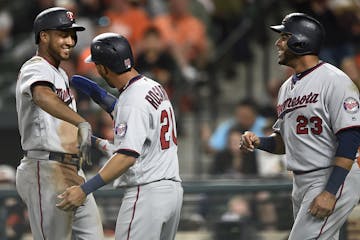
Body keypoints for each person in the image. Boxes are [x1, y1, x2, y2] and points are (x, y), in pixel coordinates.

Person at [240, 12, 360, 239]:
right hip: (302, 179)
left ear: (301, 40)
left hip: (330, 175)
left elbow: (351, 137)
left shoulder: (335, 80)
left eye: (284, 37)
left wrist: (330, 191)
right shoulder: (287, 88)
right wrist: (259, 142)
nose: (278, 43)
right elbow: (285, 143)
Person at [56, 32, 183, 240]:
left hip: (146, 194)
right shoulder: (153, 87)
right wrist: (100, 97)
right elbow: (135, 122)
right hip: (171, 193)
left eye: (97, 65)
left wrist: (84, 190)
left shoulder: (132, 101)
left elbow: (126, 157)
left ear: (103, 68)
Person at [15, 7, 104, 240]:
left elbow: (64, 126)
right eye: (63, 34)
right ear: (44, 36)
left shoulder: (60, 74)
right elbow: (42, 96)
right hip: (45, 168)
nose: (70, 41)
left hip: (72, 170)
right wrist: (82, 121)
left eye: (72, 35)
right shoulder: (34, 66)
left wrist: (97, 142)